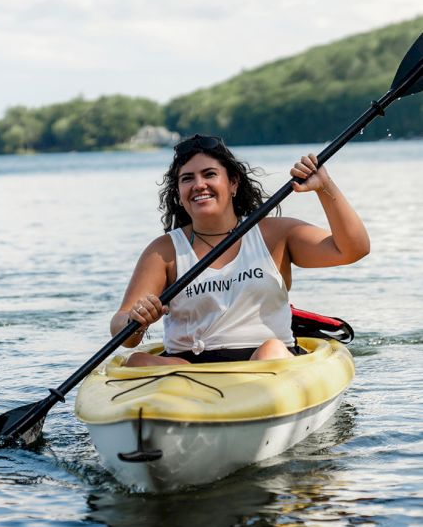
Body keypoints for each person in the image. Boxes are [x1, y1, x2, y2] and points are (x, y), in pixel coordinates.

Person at [110, 134, 370, 366]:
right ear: (179, 193)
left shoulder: (275, 234)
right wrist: (137, 319)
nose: (199, 184)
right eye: (187, 179)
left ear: (233, 183)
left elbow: (353, 249)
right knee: (137, 361)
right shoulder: (164, 250)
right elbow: (122, 331)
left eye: (209, 174)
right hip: (186, 373)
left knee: (271, 350)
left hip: (267, 364)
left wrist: (324, 187)